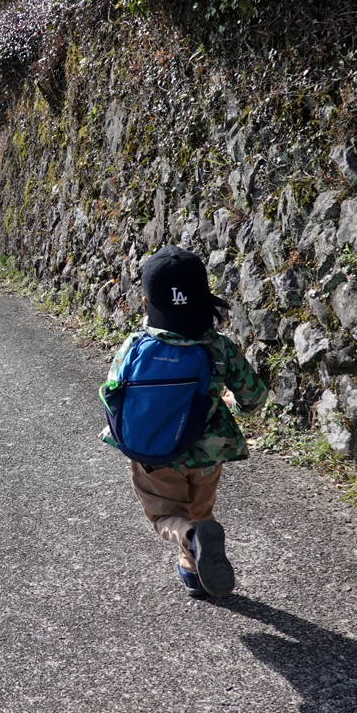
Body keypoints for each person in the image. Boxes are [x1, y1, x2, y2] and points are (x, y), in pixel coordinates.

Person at [102, 246, 268, 598]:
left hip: (154, 457)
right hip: (208, 453)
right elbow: (254, 398)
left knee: (168, 518)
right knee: (200, 509)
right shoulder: (219, 348)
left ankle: (191, 540)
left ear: (147, 303)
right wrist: (231, 405)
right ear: (205, 298)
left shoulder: (134, 346)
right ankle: (194, 572)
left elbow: (112, 393)